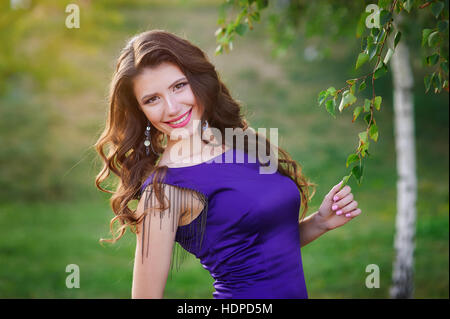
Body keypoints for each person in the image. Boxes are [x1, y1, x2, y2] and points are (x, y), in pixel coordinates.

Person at [94, 29, 362, 299]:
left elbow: (260, 249)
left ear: (198, 81)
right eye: (152, 99)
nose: (172, 107)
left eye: (179, 86)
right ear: (140, 110)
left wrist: (320, 222)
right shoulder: (163, 192)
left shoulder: (237, 143)